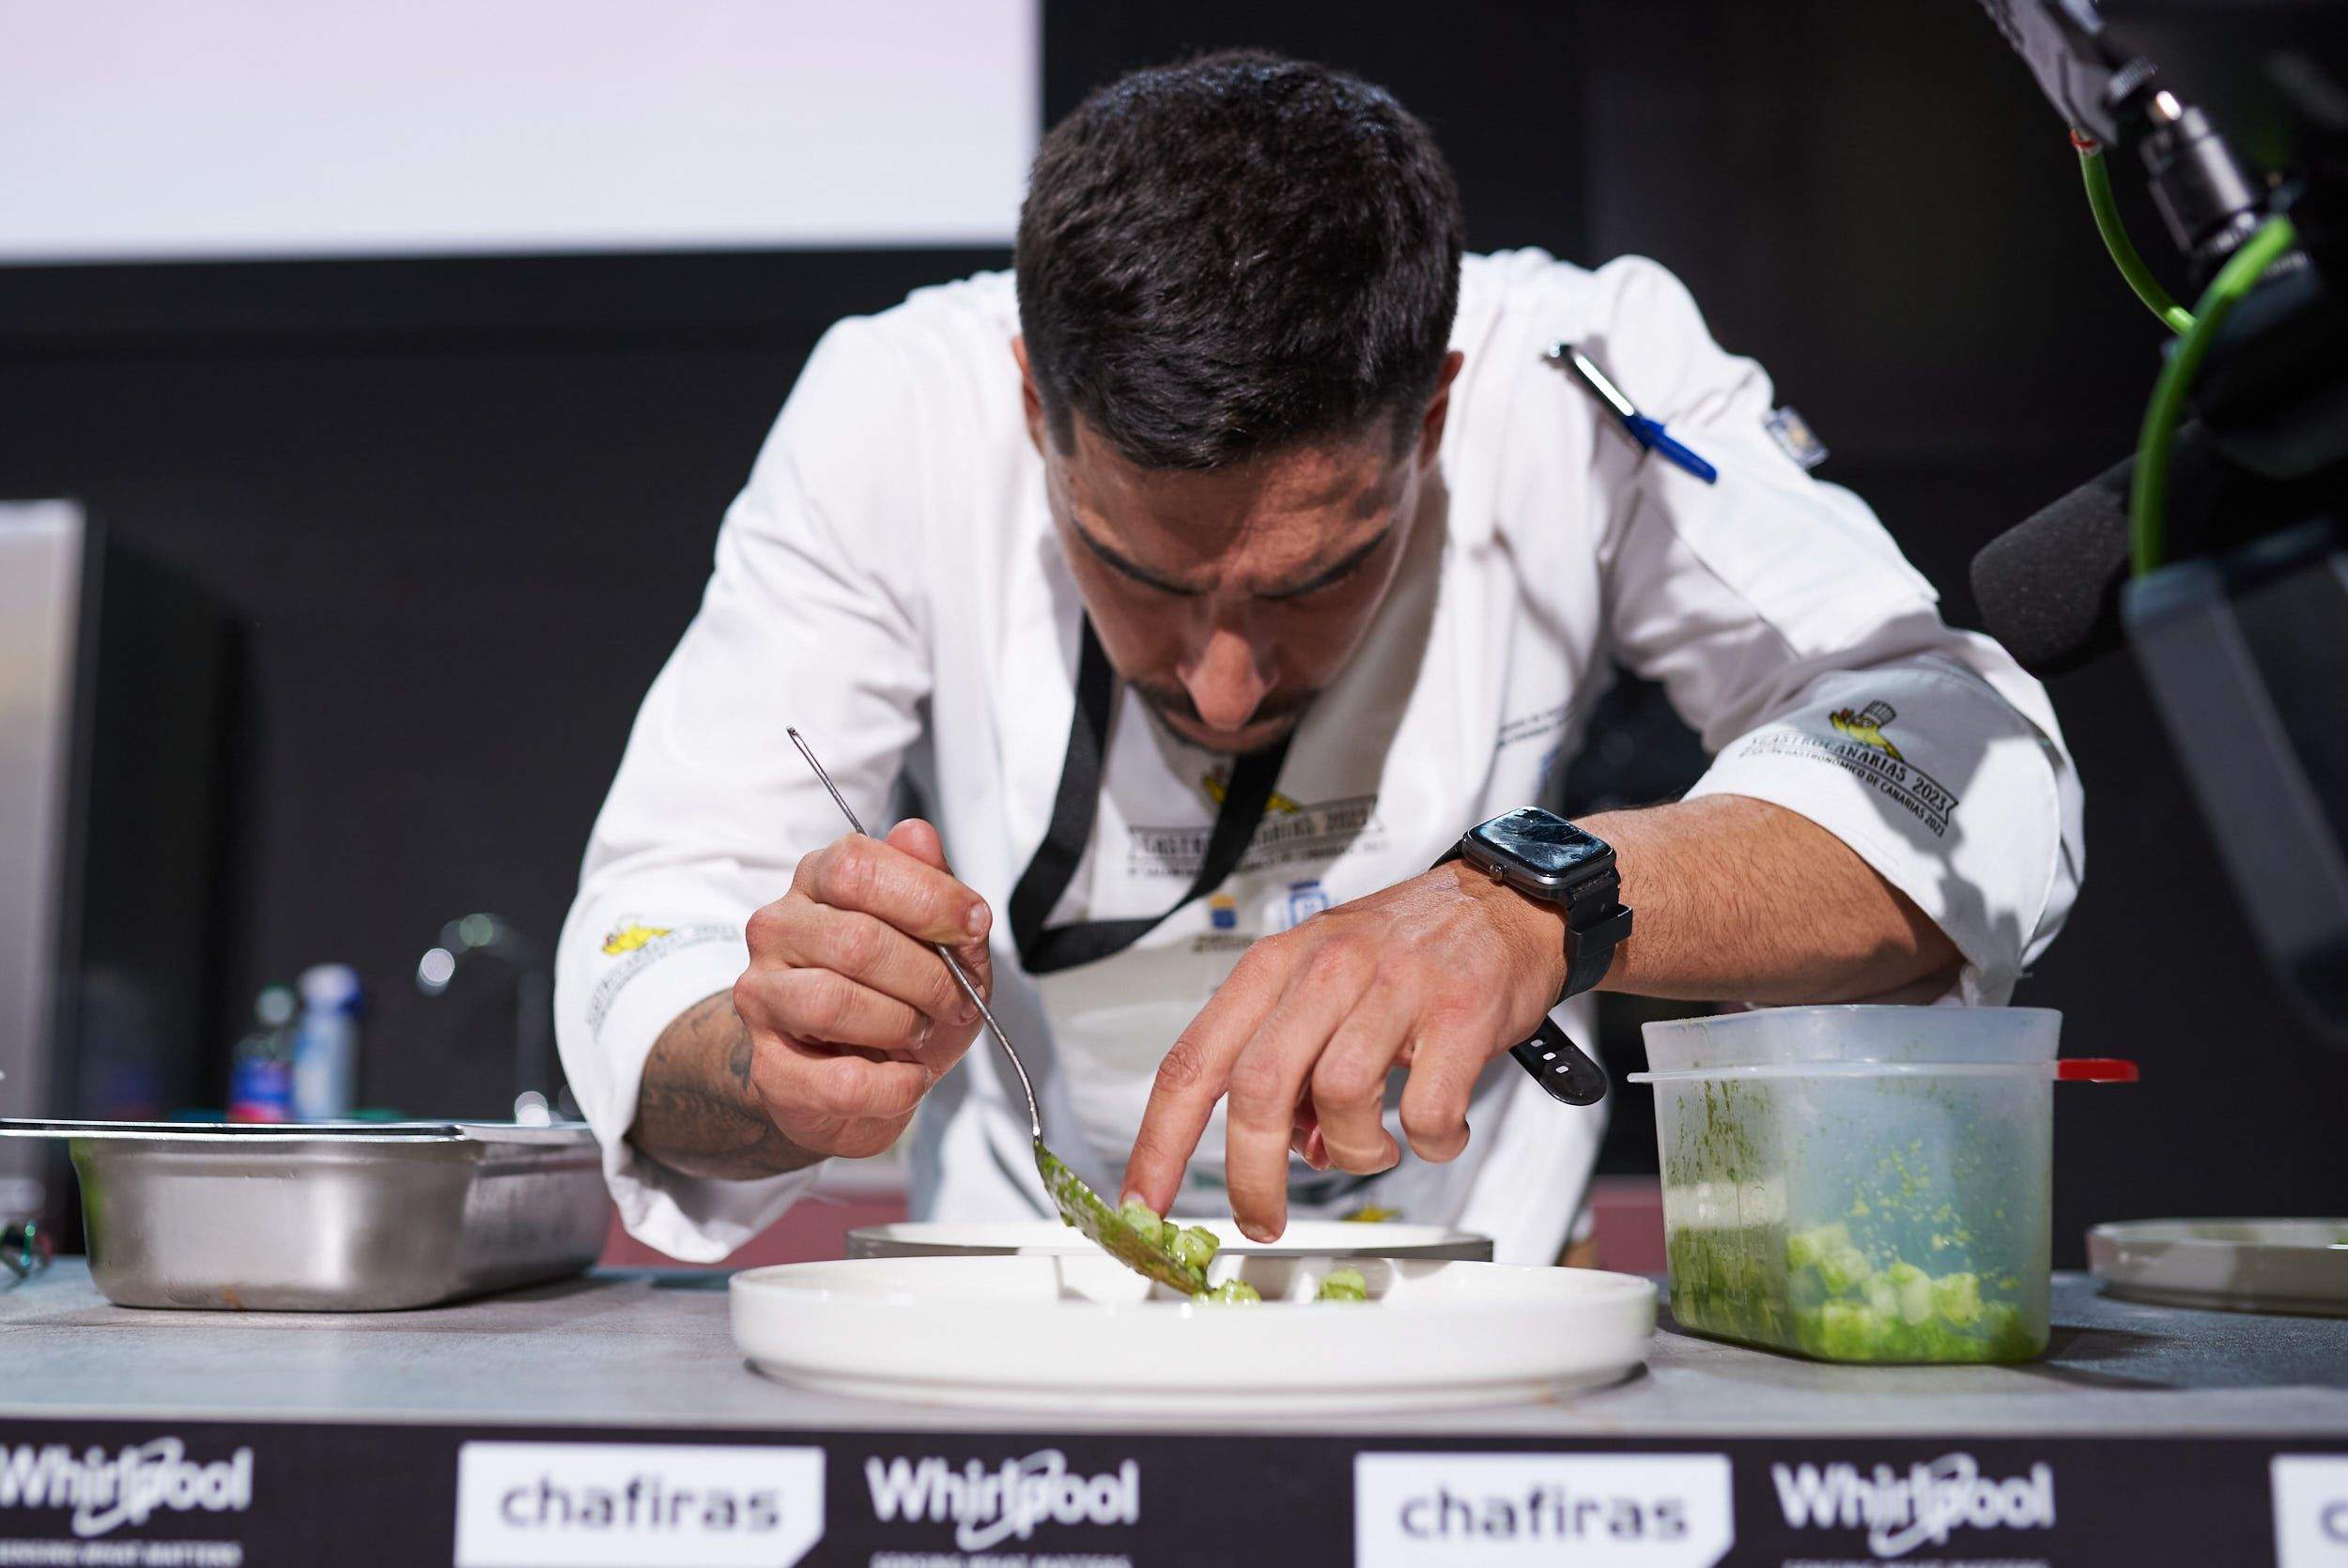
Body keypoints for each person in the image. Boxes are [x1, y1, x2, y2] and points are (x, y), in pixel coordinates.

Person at [554, 52, 2081, 1266]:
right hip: (1018, 1342)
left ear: (1434, 417)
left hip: (1478, 1346)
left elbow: (1963, 753)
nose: (1223, 684)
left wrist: (1538, 899)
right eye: (1141, 573)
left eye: (1320, 576)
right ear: (1036, 407)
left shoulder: (1585, 373)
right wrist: (773, 1058)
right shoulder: (899, 409)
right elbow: (653, 922)